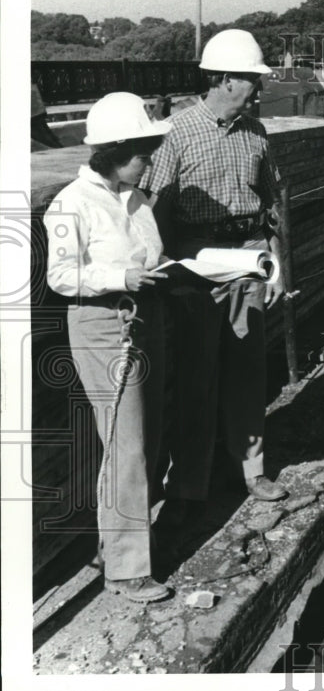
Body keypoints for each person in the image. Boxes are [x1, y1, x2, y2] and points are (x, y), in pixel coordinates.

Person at [146, 29, 288, 519]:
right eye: (252, 79)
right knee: (196, 376)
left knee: (249, 371)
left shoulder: (256, 133)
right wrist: (166, 271)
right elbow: (156, 209)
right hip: (196, 264)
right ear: (224, 79)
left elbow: (271, 204)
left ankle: (250, 470)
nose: (259, 89)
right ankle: (190, 484)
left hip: (248, 258)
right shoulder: (177, 133)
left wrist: (277, 265)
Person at [44, 92, 172, 603]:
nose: (149, 162)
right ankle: (125, 569)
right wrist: (121, 275)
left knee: (147, 437)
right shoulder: (71, 203)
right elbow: (60, 275)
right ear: (115, 151)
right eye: (143, 153)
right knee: (126, 445)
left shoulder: (135, 199)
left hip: (143, 317)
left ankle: (123, 542)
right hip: (102, 324)